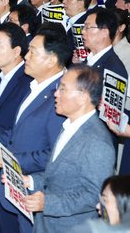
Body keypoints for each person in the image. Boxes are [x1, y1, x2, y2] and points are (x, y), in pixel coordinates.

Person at [0, 24, 70, 233]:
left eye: (33, 52)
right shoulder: (35, 86)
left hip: (38, 191)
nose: (26, 57)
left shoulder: (61, 97)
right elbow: (18, 133)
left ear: (52, 60)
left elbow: (57, 154)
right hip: (18, 188)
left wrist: (14, 160)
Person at [22, 64, 115, 233]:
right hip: (46, 224)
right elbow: (57, 176)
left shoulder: (98, 143)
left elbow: (93, 195)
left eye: (63, 89)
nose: (56, 94)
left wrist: (47, 203)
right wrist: (30, 181)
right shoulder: (69, 126)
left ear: (83, 97)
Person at [0, 23, 31, 233]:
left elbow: (21, 128)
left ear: (17, 51)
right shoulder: (0, 75)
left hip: (11, 166)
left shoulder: (27, 82)